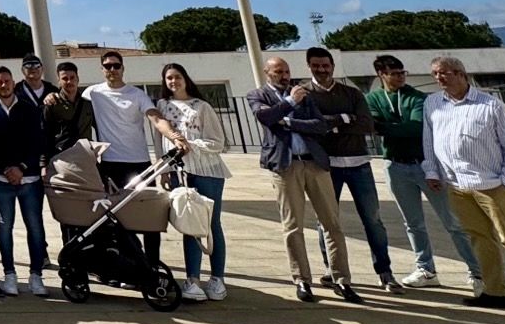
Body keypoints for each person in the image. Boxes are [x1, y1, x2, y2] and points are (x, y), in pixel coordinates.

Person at [423, 56, 505, 323]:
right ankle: (496, 292)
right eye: (436, 74)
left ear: (461, 74)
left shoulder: (490, 106)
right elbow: (430, 138)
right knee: (479, 238)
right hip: (457, 185)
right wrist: (432, 170)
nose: (439, 78)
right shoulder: (433, 103)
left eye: (444, 73)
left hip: (492, 184)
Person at [369, 55, 482, 293]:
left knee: (452, 220)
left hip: (425, 164)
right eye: (394, 73)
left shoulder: (420, 98)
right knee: (412, 223)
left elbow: (416, 126)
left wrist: (386, 128)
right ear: (381, 74)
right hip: (395, 165)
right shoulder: (374, 98)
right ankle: (426, 268)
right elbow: (370, 124)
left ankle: (476, 271)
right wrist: (388, 128)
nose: (400, 76)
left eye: (402, 72)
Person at [248, 56, 354, 302]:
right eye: (278, 71)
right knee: (293, 225)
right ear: (267, 73)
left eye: (286, 70)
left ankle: (341, 279)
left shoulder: (304, 93)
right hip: (286, 166)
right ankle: (302, 280)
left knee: (332, 223)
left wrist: (289, 122)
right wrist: (288, 103)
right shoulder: (258, 95)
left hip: (314, 162)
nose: (284, 75)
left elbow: (319, 125)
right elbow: (266, 118)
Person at [300, 48, 399, 293]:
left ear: (333, 66)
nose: (321, 70)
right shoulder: (305, 94)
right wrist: (343, 119)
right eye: (316, 65)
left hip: (358, 163)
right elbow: (313, 127)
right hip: (325, 166)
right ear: (309, 66)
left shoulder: (351, 93)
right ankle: (331, 269)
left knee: (373, 220)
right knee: (326, 221)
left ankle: (384, 271)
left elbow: (367, 125)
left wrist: (332, 123)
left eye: (325, 65)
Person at [86, 53, 186, 266]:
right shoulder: (92, 93)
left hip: (140, 163)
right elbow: (68, 102)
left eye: (116, 65)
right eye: (107, 66)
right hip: (111, 164)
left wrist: (175, 137)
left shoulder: (137, 94)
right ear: (101, 69)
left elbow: (156, 118)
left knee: (149, 216)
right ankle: (132, 262)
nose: (112, 69)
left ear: (123, 68)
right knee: (118, 217)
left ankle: (152, 263)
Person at [157, 63, 230, 303]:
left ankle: (217, 278)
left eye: (176, 77)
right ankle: (193, 279)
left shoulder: (202, 107)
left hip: (207, 170)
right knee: (190, 223)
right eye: (168, 78)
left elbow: (218, 142)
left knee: (210, 223)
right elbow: (160, 142)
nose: (173, 82)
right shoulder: (162, 106)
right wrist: (165, 169)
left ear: (185, 78)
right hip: (180, 172)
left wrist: (190, 146)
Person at [0, 66, 48, 297]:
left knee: (35, 227)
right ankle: (9, 274)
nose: (4, 85)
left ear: (14, 82)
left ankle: (36, 275)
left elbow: (38, 142)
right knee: (4, 226)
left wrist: (21, 168)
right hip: (1, 179)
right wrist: (5, 169)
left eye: (7, 81)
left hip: (29, 179)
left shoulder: (30, 109)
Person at [41, 61, 96, 158]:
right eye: (65, 78)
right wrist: (44, 162)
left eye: (72, 78)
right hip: (62, 158)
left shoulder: (88, 104)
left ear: (78, 79)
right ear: (59, 81)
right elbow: (44, 134)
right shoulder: (52, 104)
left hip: (86, 157)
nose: (69, 81)